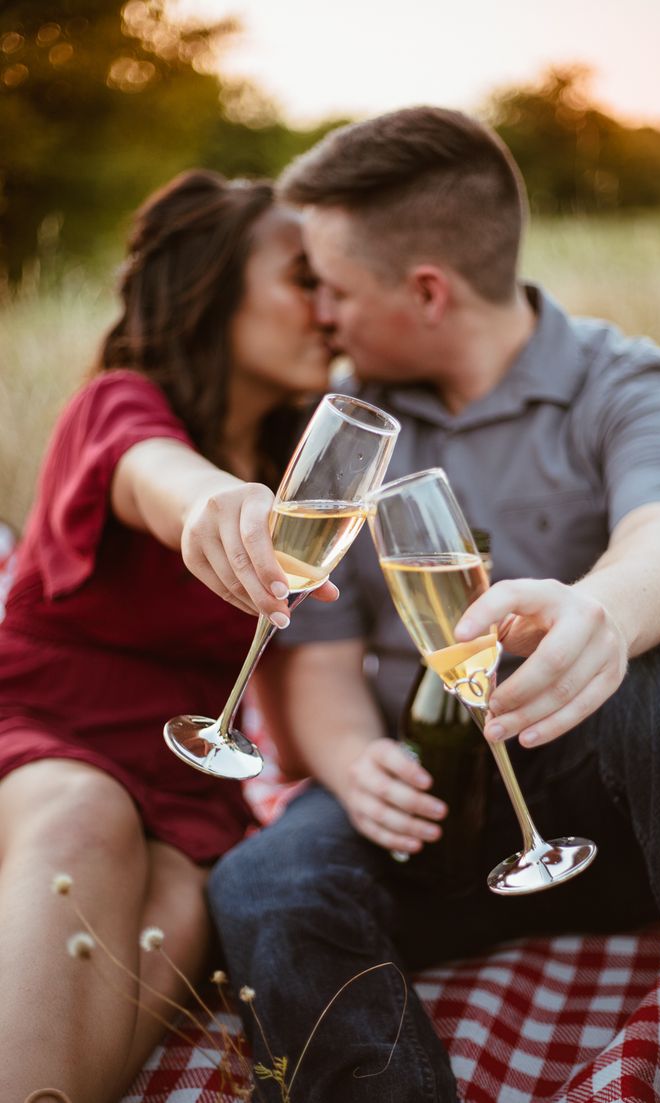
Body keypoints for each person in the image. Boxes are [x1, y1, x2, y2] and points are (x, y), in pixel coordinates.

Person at [208, 107, 660, 1103]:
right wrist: (352, 760)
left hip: (617, 803)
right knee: (263, 880)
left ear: (425, 290)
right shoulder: (343, 426)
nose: (320, 311)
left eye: (334, 287)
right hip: (432, 799)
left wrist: (599, 621)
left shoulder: (626, 382)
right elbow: (314, 653)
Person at [0, 168, 337, 1103]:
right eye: (303, 278)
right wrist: (210, 507)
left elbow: (298, 729)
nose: (330, 306)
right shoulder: (120, 403)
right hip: (48, 739)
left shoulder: (293, 468)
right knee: (85, 816)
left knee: (181, 924)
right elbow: (158, 477)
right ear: (213, 287)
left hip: (191, 801)